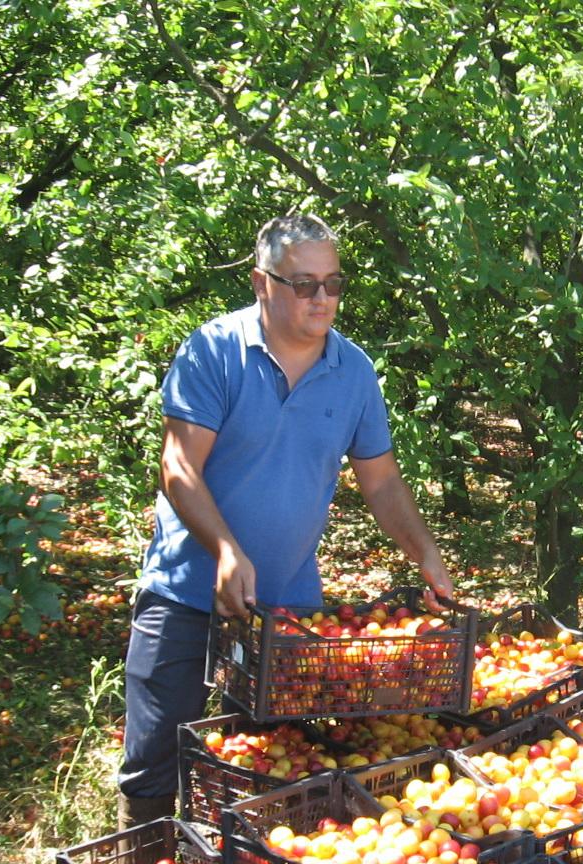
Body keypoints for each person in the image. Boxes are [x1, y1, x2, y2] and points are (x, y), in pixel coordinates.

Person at [116, 213, 454, 830]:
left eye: (333, 283)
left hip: (288, 607)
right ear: (261, 283)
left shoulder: (353, 371)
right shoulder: (214, 351)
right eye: (304, 284)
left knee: (270, 766)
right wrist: (223, 550)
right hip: (188, 590)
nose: (322, 298)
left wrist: (423, 553)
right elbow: (177, 468)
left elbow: (380, 482)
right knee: (155, 762)